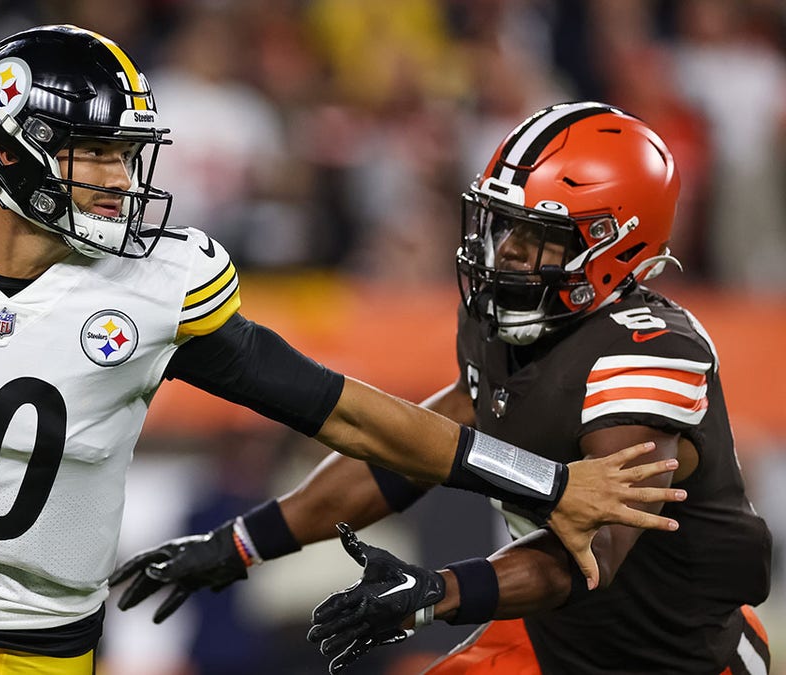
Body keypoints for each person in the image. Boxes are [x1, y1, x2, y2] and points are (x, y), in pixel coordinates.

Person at [0, 25, 680, 673]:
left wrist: (541, 481)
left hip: (41, 644)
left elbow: (350, 411)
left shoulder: (158, 285)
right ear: (15, 150)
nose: (118, 184)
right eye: (95, 156)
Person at [110, 102, 773, 674]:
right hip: (555, 641)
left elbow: (587, 556)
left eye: (535, 236)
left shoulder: (647, 355)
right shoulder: (510, 324)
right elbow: (409, 453)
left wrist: (438, 591)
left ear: (611, 244)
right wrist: (243, 542)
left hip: (674, 658)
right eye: (503, 225)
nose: (504, 250)